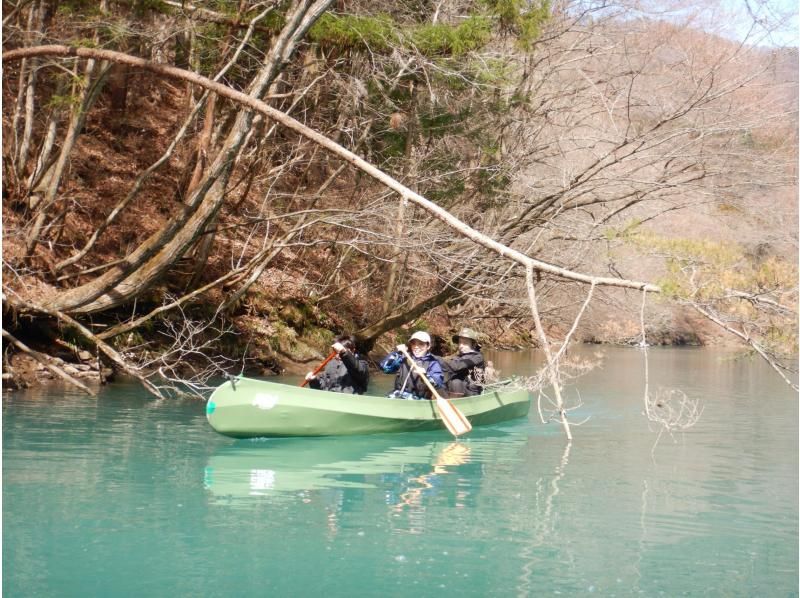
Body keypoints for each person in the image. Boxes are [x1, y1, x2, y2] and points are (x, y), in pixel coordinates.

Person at [379, 331, 445, 400]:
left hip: (418, 400)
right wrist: (398, 352)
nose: (416, 347)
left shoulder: (433, 363)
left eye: (421, 344)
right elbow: (385, 368)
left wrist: (425, 375)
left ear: (428, 346)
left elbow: (437, 385)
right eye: (413, 343)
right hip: (397, 395)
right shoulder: (403, 357)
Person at [305, 335, 369, 394]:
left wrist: (344, 352)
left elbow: (359, 370)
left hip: (349, 402)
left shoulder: (362, 364)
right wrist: (314, 380)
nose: (338, 355)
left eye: (339, 351)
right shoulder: (331, 364)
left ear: (353, 350)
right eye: (336, 351)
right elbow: (322, 386)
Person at [443, 327, 485, 397]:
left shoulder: (477, 357)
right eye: (460, 342)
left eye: (465, 343)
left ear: (473, 344)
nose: (461, 346)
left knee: (456, 382)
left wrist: (436, 359)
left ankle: (458, 404)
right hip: (461, 391)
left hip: (473, 393)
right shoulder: (459, 357)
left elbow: (457, 366)